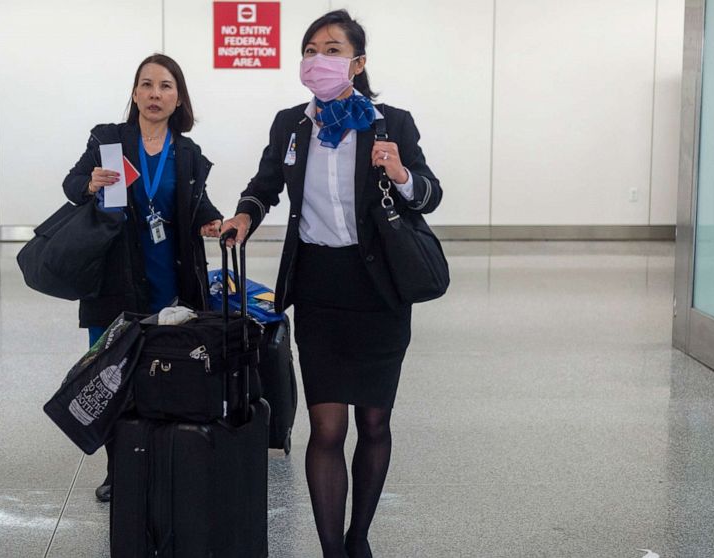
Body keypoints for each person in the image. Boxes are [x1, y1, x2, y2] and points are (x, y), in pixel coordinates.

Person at [220, 10, 442, 558]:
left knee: (373, 420)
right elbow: (265, 182)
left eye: (333, 49)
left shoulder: (391, 123)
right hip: (318, 285)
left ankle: (358, 536)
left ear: (358, 62)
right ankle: (331, 551)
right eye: (312, 48)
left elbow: (429, 195)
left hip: (379, 290)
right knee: (326, 427)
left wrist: (400, 174)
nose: (320, 59)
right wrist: (243, 216)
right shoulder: (292, 124)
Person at [62, 53, 223, 502]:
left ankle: (161, 459)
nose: (155, 94)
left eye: (166, 86)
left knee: (163, 377)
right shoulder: (109, 140)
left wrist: (213, 223)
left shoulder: (188, 153)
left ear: (178, 98)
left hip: (170, 285)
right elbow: (72, 185)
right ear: (134, 94)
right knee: (111, 377)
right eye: (147, 85)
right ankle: (120, 470)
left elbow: (197, 207)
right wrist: (90, 183)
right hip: (114, 280)